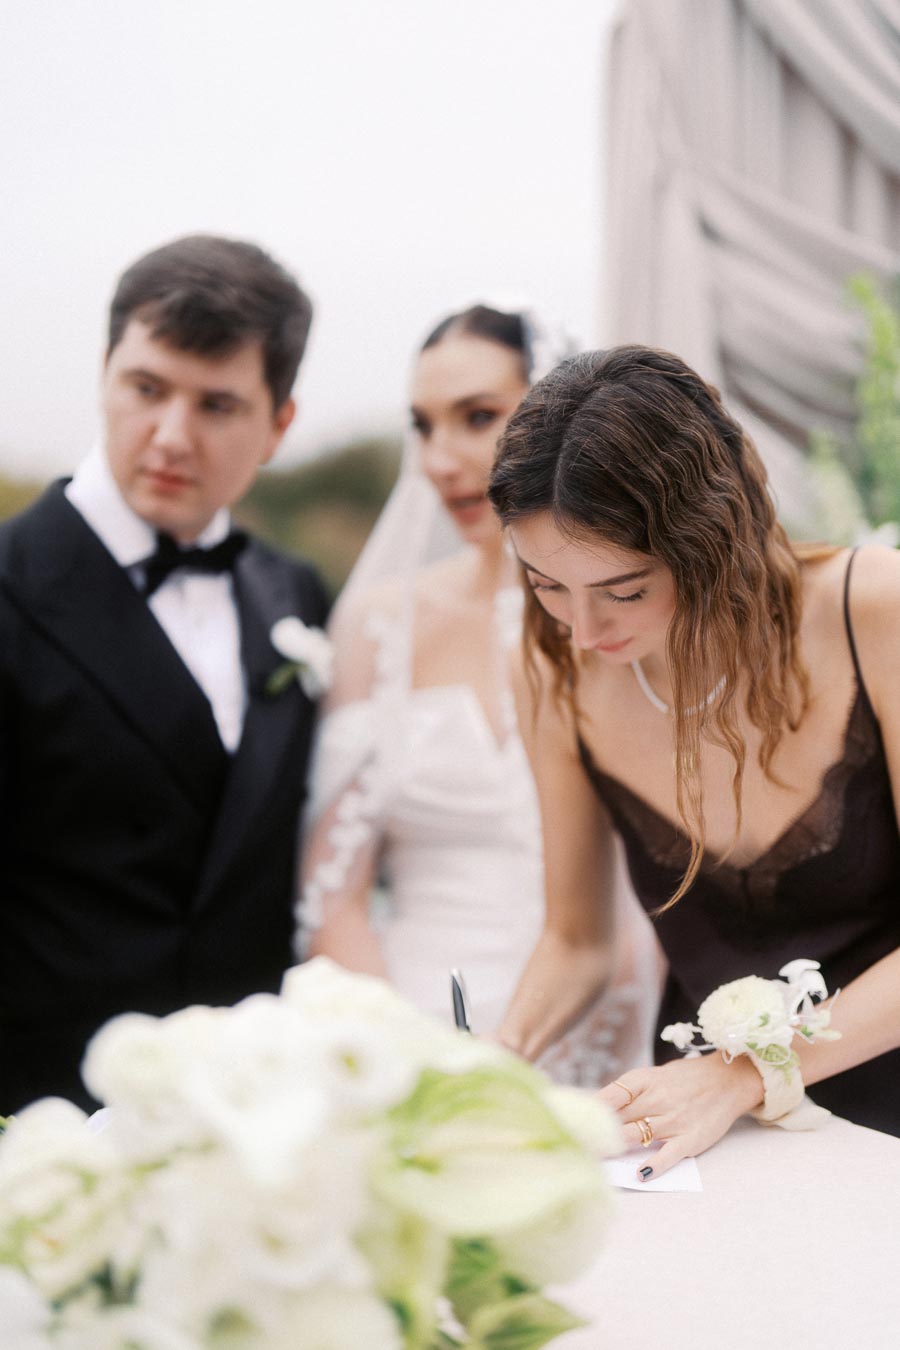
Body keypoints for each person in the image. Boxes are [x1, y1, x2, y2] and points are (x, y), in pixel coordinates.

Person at [487, 344, 900, 1167]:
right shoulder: (550, 667)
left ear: (714, 539)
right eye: (545, 584)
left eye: (626, 589)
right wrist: (492, 1064)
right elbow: (577, 942)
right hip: (713, 1136)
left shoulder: (874, 610)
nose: (584, 630)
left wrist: (743, 1073)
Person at [0, 234, 330, 1113]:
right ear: (106, 373)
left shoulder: (293, 591)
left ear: (278, 424)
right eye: (147, 390)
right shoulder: (8, 584)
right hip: (51, 1123)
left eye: (218, 404)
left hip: (257, 1116)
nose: (171, 437)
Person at [299, 304, 661, 1082]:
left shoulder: (633, 621)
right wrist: (410, 1062)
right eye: (423, 426)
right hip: (404, 1030)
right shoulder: (377, 622)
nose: (441, 458)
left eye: (478, 417)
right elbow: (334, 897)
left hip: (616, 1034)